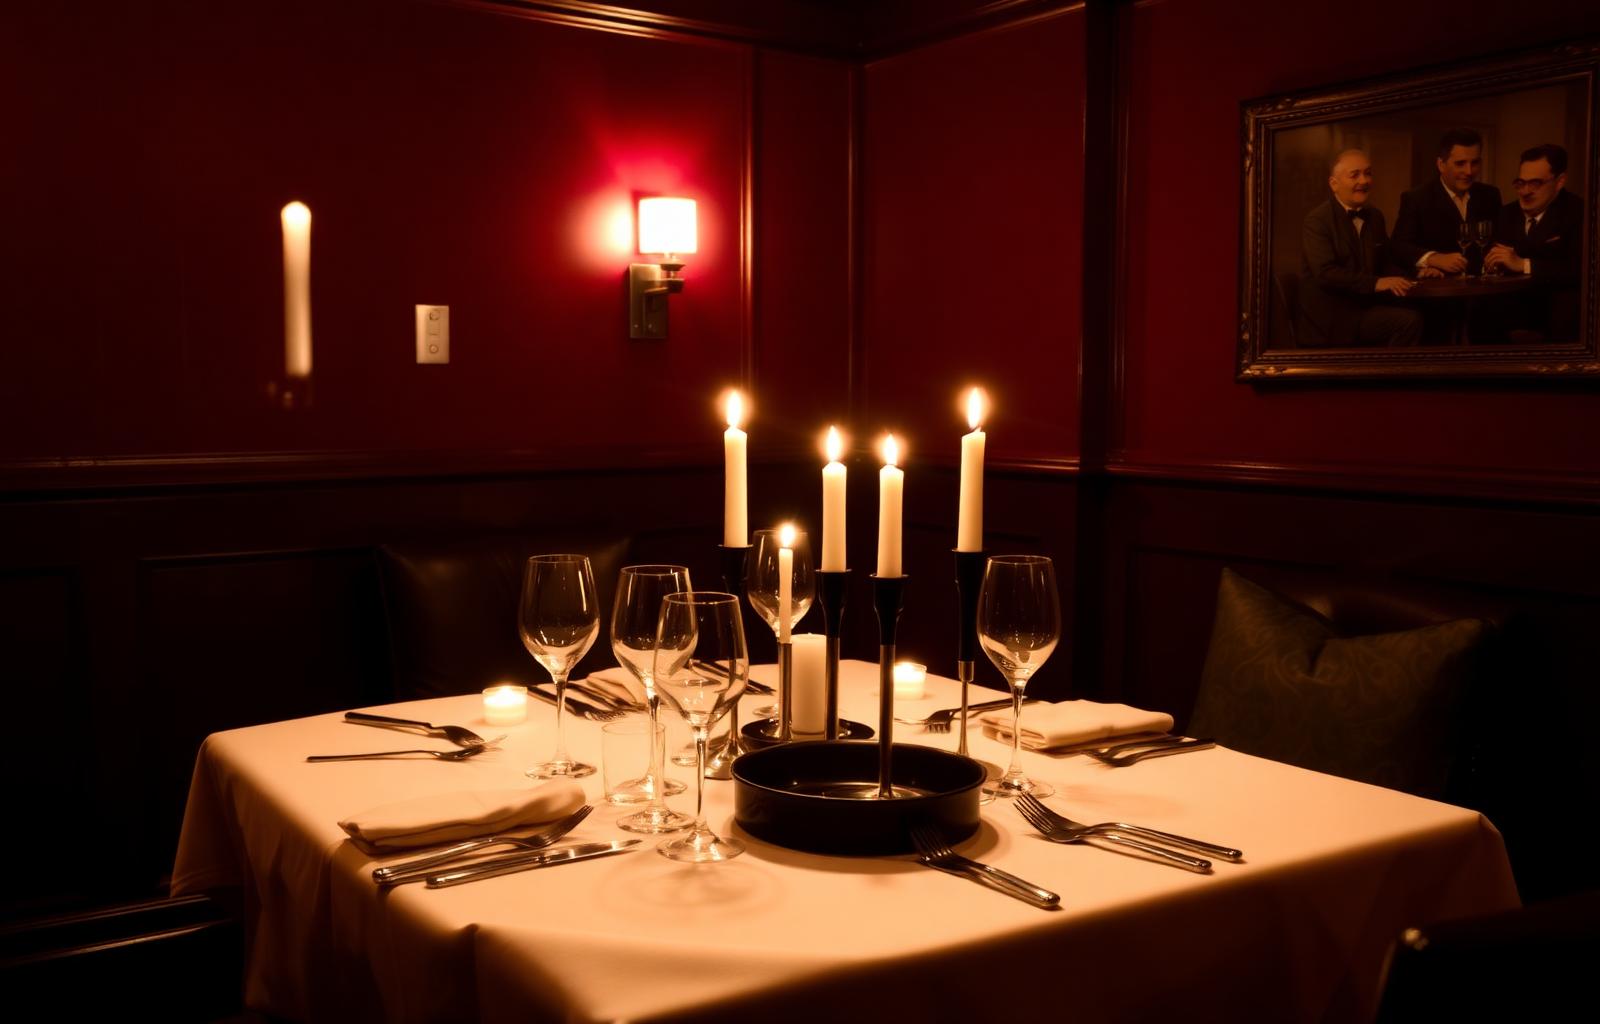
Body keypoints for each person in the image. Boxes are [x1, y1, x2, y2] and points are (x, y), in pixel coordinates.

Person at [1298, 148, 1423, 346]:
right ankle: (1389, 376)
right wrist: (1375, 283)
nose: (1364, 181)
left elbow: (1386, 262)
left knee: (1423, 309)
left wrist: (1418, 273)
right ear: (1334, 184)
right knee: (1408, 322)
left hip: (1365, 306)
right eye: (1354, 175)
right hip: (1333, 317)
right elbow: (1325, 273)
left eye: (1368, 173)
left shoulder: (1375, 216)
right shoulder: (1317, 220)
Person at [1485, 143, 1584, 342]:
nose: (1525, 191)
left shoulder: (1579, 212)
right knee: (1481, 310)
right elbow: (1492, 256)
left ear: (1559, 181)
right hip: (1512, 302)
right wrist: (1491, 262)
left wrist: (1523, 264)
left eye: (1535, 183)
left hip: (1556, 307)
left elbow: (1578, 270)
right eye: (1521, 183)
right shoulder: (1506, 213)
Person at [1391, 128, 1504, 276]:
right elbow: (1398, 247)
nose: (1469, 171)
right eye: (1460, 163)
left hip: (1484, 292)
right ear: (1441, 164)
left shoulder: (1490, 195)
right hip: (1441, 292)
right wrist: (1433, 258)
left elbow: (1499, 241)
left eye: (1475, 162)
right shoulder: (1416, 198)